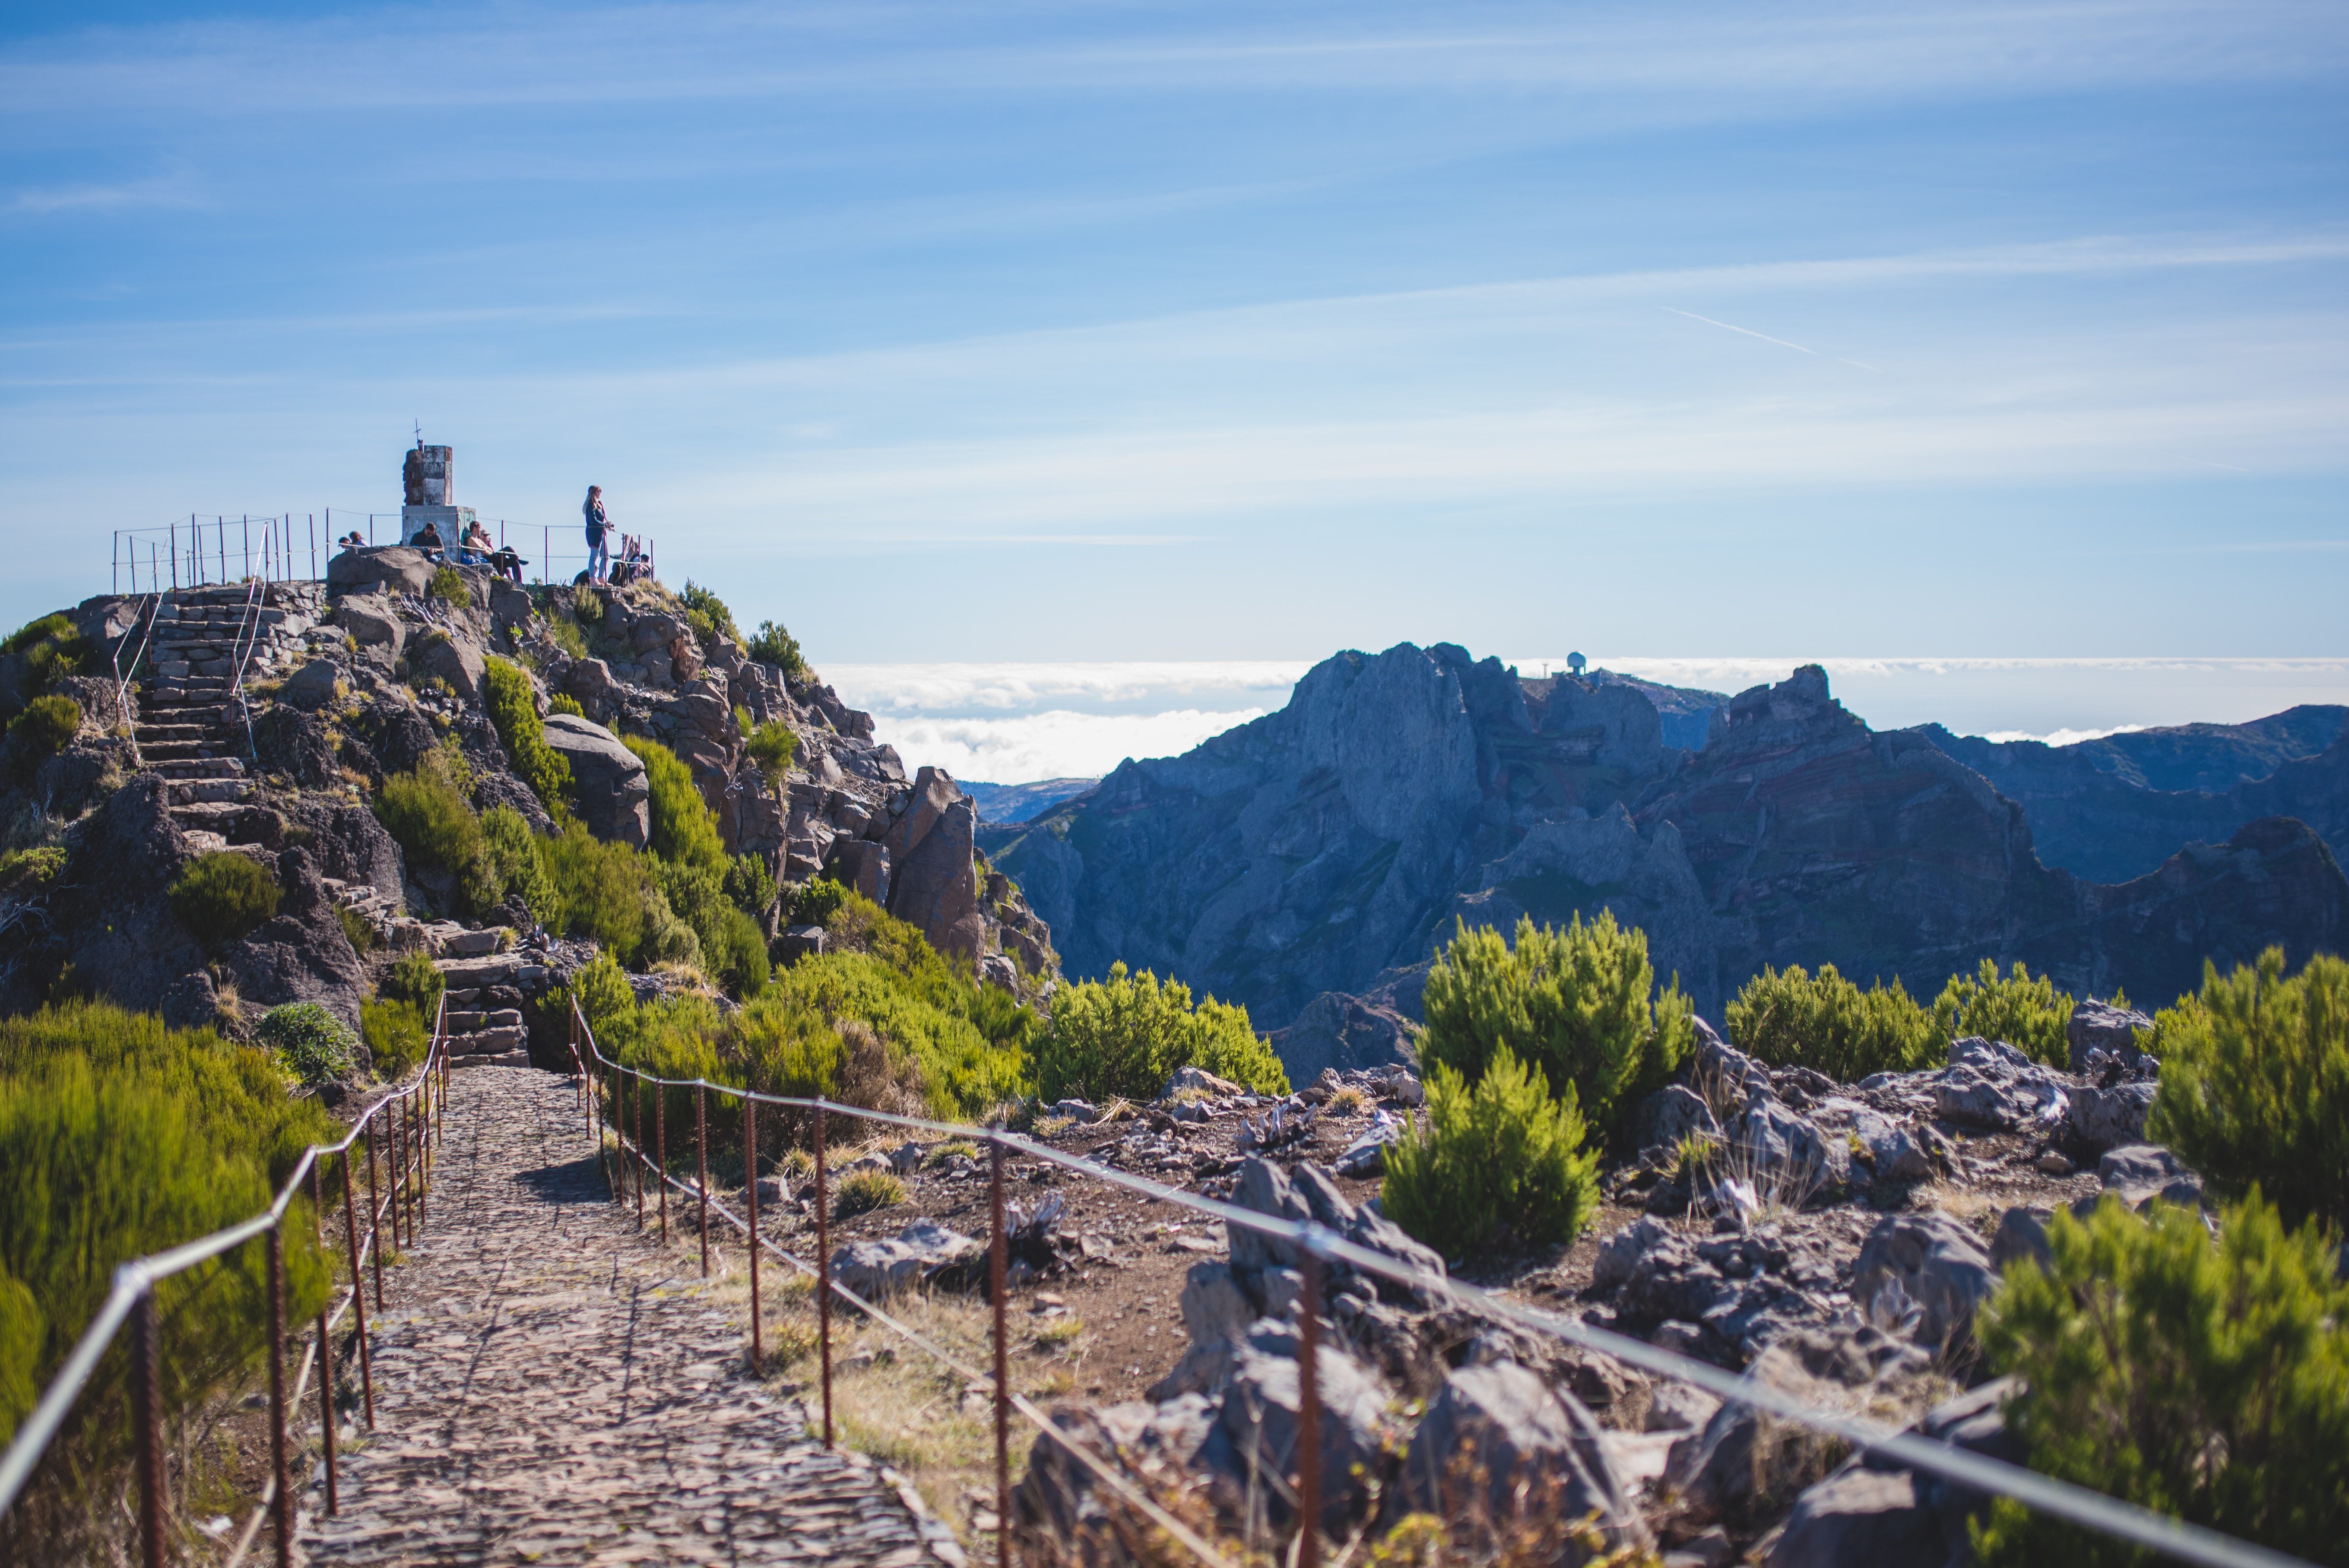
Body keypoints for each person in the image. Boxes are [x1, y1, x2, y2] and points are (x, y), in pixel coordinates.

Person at [583, 485, 610, 583]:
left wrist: (607, 524)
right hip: (594, 533)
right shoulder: (590, 506)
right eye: (599, 492)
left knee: (606, 555)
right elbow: (593, 521)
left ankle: (601, 577)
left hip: (602, 532)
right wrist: (604, 524)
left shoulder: (599, 505)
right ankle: (592, 579)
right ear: (595, 493)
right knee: (594, 555)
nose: (600, 494)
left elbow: (602, 518)